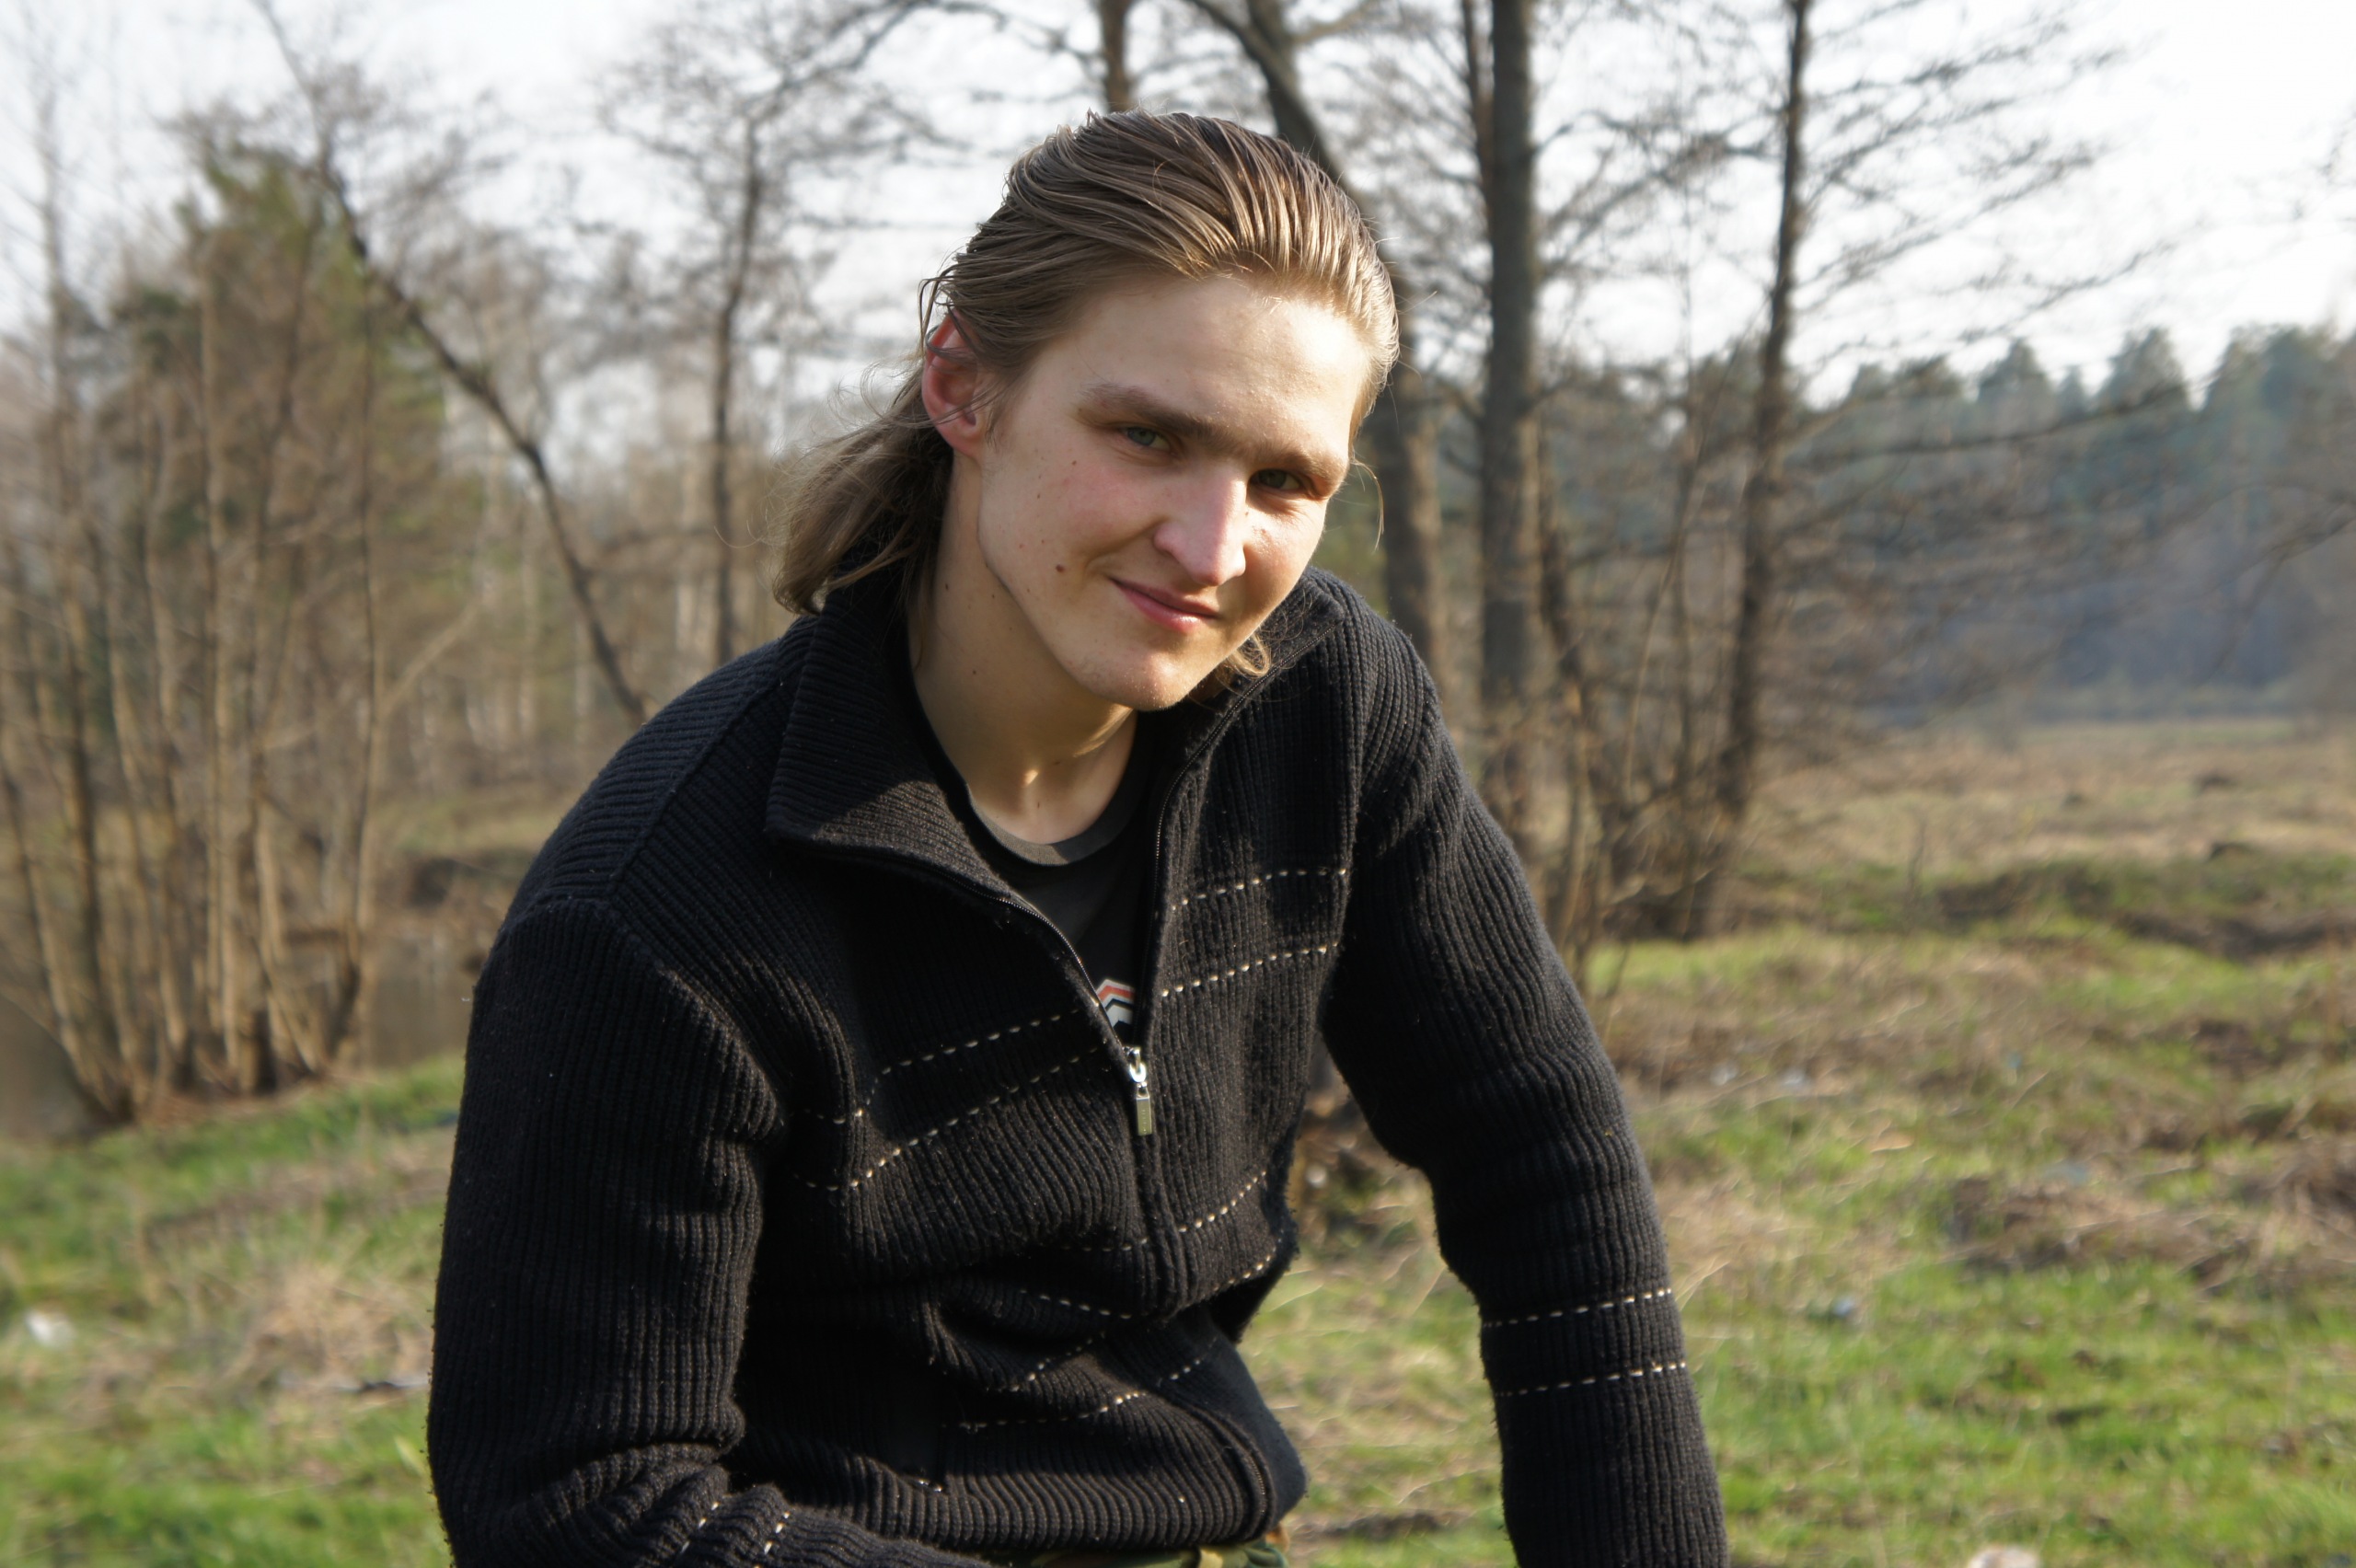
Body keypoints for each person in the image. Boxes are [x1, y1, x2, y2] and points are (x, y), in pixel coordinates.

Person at [427, 110, 1727, 1568]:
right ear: (963, 387)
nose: (1212, 547)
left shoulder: (1328, 711)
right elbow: (580, 1501)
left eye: (1285, 482)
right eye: (1149, 437)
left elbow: (1541, 1159)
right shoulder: (663, 911)